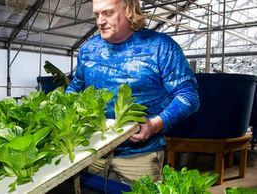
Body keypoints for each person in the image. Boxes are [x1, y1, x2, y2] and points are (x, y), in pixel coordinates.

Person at [65, 0, 200, 185]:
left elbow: (188, 96)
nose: (100, 21)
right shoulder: (89, 50)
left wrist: (154, 125)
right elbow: (74, 88)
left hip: (139, 157)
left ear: (129, 10)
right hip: (93, 151)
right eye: (97, 14)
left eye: (108, 13)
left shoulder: (161, 47)